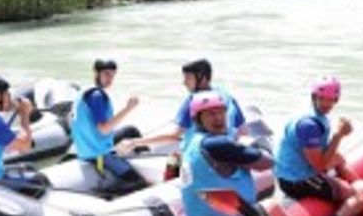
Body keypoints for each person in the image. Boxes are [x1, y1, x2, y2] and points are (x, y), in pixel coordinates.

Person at [275, 77, 363, 216]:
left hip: (293, 171)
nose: (326, 104)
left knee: (339, 159)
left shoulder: (312, 115)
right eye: (321, 99)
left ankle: (360, 184)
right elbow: (320, 165)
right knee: (359, 198)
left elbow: (324, 154)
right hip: (296, 181)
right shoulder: (309, 125)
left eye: (330, 100)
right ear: (313, 97)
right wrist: (338, 135)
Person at [181, 91, 274, 216]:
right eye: (211, 114)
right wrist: (259, 144)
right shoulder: (218, 144)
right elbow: (268, 163)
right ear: (198, 119)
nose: (218, 118)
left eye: (221, 112)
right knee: (275, 211)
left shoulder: (190, 142)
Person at [118, 58, 247, 154]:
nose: (184, 83)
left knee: (128, 134)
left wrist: (134, 142)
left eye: (188, 78)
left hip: (202, 156)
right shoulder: (226, 95)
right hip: (226, 150)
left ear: (202, 79)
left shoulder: (194, 101)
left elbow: (174, 135)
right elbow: (243, 131)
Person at [70, 59, 145, 196]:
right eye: (106, 74)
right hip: (96, 153)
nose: (110, 78)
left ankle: (141, 158)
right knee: (138, 182)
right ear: (96, 73)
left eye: (113, 74)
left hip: (86, 145)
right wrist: (128, 108)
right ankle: (106, 192)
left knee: (130, 131)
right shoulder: (97, 96)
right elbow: (103, 129)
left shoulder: (84, 92)